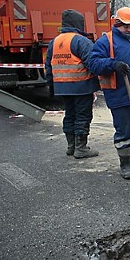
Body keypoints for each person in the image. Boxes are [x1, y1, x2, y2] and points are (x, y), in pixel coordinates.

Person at [87, 7, 130, 180]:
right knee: (124, 129)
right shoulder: (106, 41)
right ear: (116, 24)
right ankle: (124, 163)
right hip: (120, 94)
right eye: (125, 26)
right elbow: (93, 63)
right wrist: (113, 64)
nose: (129, 29)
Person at [45, 9, 100, 159]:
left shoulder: (54, 42)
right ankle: (81, 148)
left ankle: (71, 146)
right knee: (83, 116)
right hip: (81, 85)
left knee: (70, 115)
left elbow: (48, 66)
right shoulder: (81, 41)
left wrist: (51, 85)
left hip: (62, 87)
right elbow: (92, 63)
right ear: (79, 24)